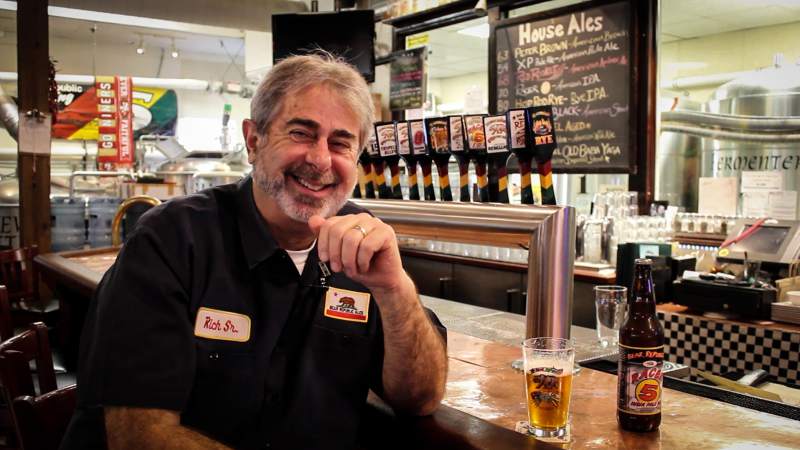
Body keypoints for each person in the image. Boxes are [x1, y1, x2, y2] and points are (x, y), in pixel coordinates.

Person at [60, 53, 448, 450]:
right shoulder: (172, 239)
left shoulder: (364, 243)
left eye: (340, 143)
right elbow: (139, 436)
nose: (319, 159)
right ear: (253, 140)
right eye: (301, 133)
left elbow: (421, 398)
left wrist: (395, 290)